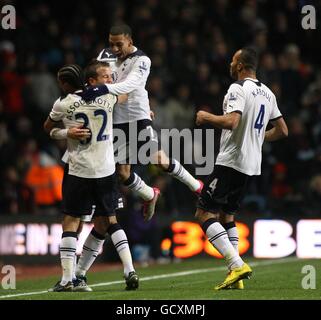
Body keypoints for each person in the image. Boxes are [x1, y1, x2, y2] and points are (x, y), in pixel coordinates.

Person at [82, 24, 203, 221]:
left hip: (138, 116)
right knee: (122, 173)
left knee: (158, 160)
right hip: (117, 119)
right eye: (111, 44)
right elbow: (96, 75)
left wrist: (101, 91)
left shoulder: (142, 60)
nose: (114, 49)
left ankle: (196, 186)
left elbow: (130, 85)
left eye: (119, 44)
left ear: (130, 40)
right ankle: (149, 193)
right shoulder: (105, 54)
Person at [195, 47, 288, 290]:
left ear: (240, 66)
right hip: (250, 164)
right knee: (228, 215)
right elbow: (283, 130)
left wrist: (206, 117)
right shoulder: (268, 93)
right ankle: (236, 278)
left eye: (233, 60)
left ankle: (236, 264)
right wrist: (256, 137)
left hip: (231, 160)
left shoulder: (238, 88)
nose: (230, 63)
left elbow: (232, 121)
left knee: (204, 213)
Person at [44, 64, 138, 292]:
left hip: (79, 170)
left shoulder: (63, 103)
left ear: (65, 83)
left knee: (71, 221)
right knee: (108, 220)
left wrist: (67, 132)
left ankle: (68, 279)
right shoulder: (107, 96)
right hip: (106, 170)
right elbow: (125, 95)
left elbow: (47, 128)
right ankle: (127, 270)